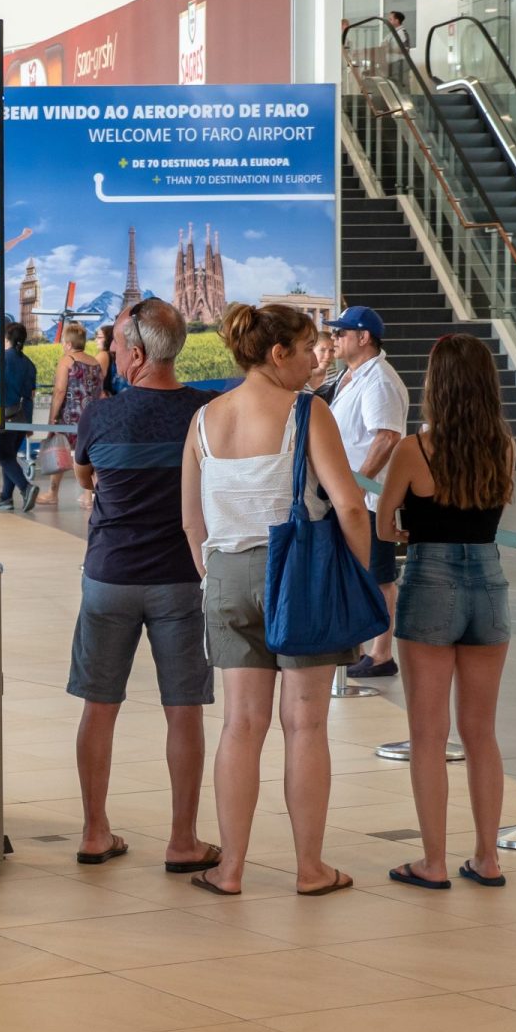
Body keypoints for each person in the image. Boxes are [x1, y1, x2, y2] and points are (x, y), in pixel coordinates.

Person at [181, 303, 370, 897]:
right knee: (305, 724)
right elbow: (347, 504)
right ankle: (309, 869)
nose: (320, 356)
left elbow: (191, 520)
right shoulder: (307, 412)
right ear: (277, 353)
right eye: (310, 346)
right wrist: (355, 576)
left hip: (226, 575)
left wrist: (214, 573)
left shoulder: (205, 419)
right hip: (300, 577)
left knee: (241, 724)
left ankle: (231, 868)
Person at [68, 300, 218, 870]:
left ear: (134, 352)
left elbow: (87, 475)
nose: (110, 354)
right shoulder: (205, 412)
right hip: (181, 579)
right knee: (184, 710)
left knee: (99, 706)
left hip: (109, 576)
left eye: (114, 347)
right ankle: (183, 841)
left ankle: (93, 832)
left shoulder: (100, 416)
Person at [378, 334, 516, 891]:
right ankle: (488, 858)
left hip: (430, 578)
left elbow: (385, 522)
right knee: (480, 732)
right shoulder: (503, 446)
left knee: (428, 733)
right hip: (489, 579)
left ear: (436, 385)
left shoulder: (414, 450)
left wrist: (410, 527)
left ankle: (433, 862)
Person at [326, 306, 408, 679]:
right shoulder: (350, 375)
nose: (334, 338)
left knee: (379, 575)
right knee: (359, 573)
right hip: (347, 494)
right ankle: (360, 645)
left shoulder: (379, 381)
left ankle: (380, 653)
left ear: (364, 338)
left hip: (368, 497)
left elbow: (387, 436)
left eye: (341, 333)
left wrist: (359, 484)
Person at [46, 322, 104, 508]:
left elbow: (60, 391)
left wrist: (52, 418)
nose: (63, 345)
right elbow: (100, 391)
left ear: (69, 343)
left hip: (69, 417)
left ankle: (53, 493)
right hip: (92, 418)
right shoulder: (95, 362)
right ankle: (88, 497)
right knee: (90, 456)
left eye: (63, 341)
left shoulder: (67, 360)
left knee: (59, 452)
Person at [0, 321, 40, 512]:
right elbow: (32, 394)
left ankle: (26, 487)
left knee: (2, 455)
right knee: (9, 455)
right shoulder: (29, 363)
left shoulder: (2, 359)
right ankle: (5, 497)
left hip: (7, 414)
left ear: (6, 338)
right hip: (24, 416)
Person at [307, 329, 341, 401]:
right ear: (312, 350)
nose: (328, 356)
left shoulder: (337, 376)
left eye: (332, 350)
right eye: (322, 350)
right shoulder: (297, 376)